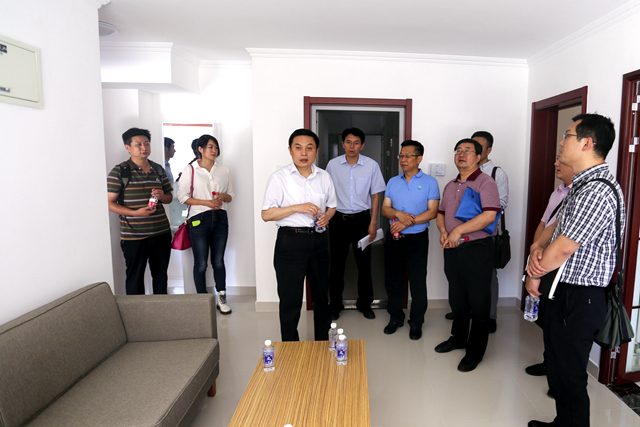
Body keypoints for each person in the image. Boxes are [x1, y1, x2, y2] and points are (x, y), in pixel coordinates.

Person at [526, 114, 625, 427]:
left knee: (570, 374)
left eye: (567, 135)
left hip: (581, 297)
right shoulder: (581, 186)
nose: (561, 141)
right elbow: (555, 227)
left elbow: (565, 247)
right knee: (558, 367)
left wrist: (533, 274)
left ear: (587, 143)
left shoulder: (597, 190)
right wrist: (537, 249)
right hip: (564, 291)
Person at [261, 129, 337, 341]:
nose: (304, 153)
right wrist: (297, 207)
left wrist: (327, 216)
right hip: (290, 241)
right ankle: (290, 348)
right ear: (290, 150)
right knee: (290, 299)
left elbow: (332, 206)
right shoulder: (279, 178)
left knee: (321, 296)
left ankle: (322, 344)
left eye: (309, 148)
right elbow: (266, 214)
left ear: (316, 151)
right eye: (298, 147)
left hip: (319, 240)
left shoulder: (324, 177)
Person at [434, 138, 500, 372]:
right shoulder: (450, 185)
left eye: (468, 151)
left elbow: (490, 215)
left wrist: (459, 230)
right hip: (452, 249)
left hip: (477, 249)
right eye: (458, 150)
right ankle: (458, 338)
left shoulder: (486, 182)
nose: (461, 154)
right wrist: (444, 231)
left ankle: (475, 352)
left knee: (479, 303)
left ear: (479, 157)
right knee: (457, 298)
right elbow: (441, 213)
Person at [326, 127, 386, 320]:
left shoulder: (371, 165)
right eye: (348, 142)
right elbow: (327, 193)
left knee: (364, 264)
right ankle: (335, 304)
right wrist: (327, 216)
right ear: (343, 143)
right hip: (338, 221)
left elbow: (375, 196)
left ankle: (365, 303)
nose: (352, 146)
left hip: (362, 221)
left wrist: (373, 222)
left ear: (362, 145)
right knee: (336, 265)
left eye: (356, 142)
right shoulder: (332, 165)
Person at [381, 140, 440, 340]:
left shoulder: (430, 182)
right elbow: (385, 209)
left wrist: (406, 222)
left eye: (408, 156)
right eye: (401, 156)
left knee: (417, 282)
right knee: (393, 280)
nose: (403, 159)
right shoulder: (393, 181)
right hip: (394, 237)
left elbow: (432, 212)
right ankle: (395, 317)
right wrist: (399, 214)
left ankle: (416, 323)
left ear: (419, 158)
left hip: (417, 240)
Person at [107, 127, 173, 295]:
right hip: (133, 236)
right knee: (135, 278)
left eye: (147, 143)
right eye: (138, 144)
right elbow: (109, 203)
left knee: (161, 277)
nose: (144, 147)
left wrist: (162, 196)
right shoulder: (119, 171)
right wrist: (136, 213)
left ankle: (162, 309)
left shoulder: (158, 169)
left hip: (161, 234)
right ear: (127, 147)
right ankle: (136, 312)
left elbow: (169, 198)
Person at [525, 158, 574, 382]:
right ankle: (548, 363)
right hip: (544, 259)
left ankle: (559, 373)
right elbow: (544, 223)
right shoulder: (558, 192)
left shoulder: (580, 193)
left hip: (561, 266)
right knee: (548, 317)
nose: (555, 164)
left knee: (563, 326)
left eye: (561, 161)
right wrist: (535, 250)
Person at [177, 135, 234, 314]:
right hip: (198, 219)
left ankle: (222, 298)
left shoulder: (223, 170)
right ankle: (202, 301)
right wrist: (207, 202)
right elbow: (182, 197)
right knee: (201, 263)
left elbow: (231, 196)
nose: (214, 150)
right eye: (210, 147)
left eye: (216, 147)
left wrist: (222, 197)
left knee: (218, 261)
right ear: (200, 149)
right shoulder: (190, 169)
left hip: (220, 219)